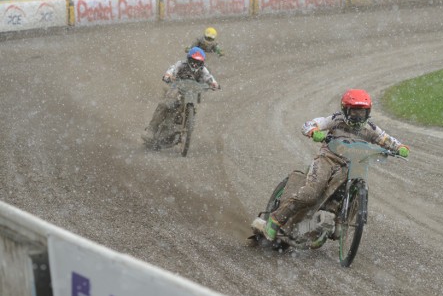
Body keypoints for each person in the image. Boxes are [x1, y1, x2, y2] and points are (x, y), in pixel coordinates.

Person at [254, 89, 410, 241]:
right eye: (354, 112)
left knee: (353, 190)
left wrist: (400, 148)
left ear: (368, 113)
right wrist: (314, 131)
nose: (357, 116)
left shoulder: (371, 128)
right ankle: (275, 220)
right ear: (344, 110)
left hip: (351, 165)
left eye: (361, 112)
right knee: (311, 193)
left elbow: (387, 140)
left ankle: (338, 220)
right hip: (327, 160)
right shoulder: (335, 119)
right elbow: (309, 124)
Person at [142, 47, 220, 142]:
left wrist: (214, 84)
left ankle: (182, 128)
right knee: (164, 104)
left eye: (198, 62)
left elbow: (209, 78)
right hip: (177, 89)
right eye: (193, 61)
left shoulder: (203, 70)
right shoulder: (181, 64)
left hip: (191, 92)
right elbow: (172, 69)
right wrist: (168, 75)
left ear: (202, 63)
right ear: (188, 59)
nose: (195, 64)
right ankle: (151, 129)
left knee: (192, 110)